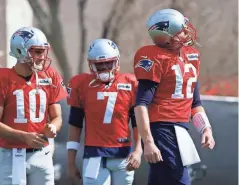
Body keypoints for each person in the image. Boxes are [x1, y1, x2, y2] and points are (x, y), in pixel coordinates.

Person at [133, 9, 216, 185]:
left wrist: (205, 128)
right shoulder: (155, 57)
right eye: (182, 30)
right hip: (162, 128)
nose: (187, 32)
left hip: (180, 128)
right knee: (179, 180)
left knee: (161, 180)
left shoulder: (190, 56)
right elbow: (140, 104)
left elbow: (195, 102)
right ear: (169, 37)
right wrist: (148, 142)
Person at [67, 38, 142, 185]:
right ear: (91, 64)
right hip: (94, 156)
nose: (105, 67)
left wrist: (138, 150)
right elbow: (75, 124)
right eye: (100, 65)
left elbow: (137, 121)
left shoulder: (130, 83)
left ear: (117, 61)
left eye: (109, 62)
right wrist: (70, 162)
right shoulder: (81, 84)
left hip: (123, 155)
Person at [0, 27, 67, 185]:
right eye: (37, 51)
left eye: (43, 51)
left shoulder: (50, 75)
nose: (42, 56)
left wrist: (53, 127)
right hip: (11, 155)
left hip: (42, 155)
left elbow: (57, 117)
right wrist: (23, 136)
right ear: (20, 51)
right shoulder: (3, 78)